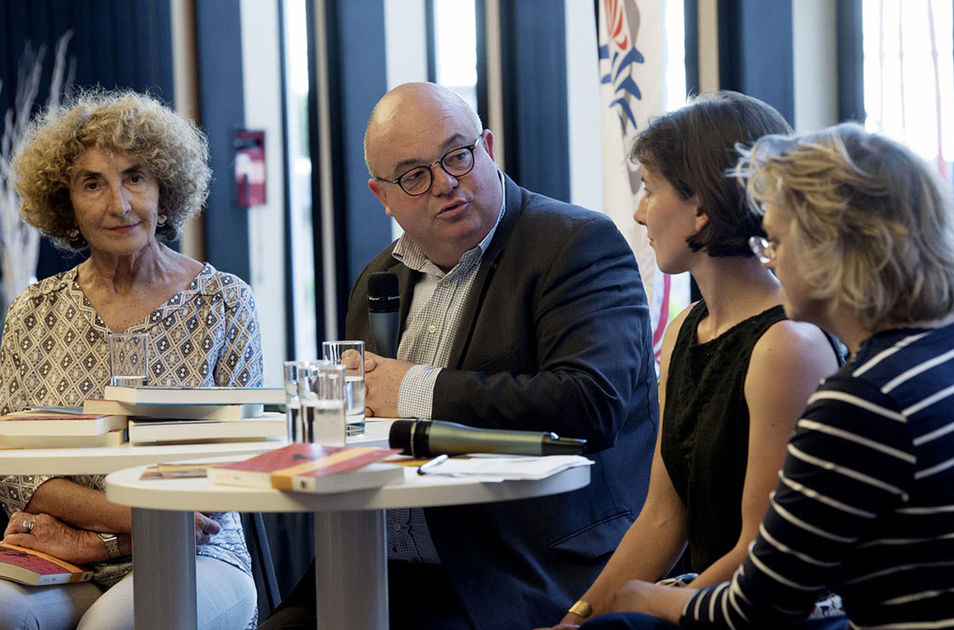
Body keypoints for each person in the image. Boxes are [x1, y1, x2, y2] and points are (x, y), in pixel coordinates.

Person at [581, 122, 954, 629]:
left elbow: (755, 610)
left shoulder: (863, 402)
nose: (769, 261)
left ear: (833, 251)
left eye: (776, 241)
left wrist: (644, 598)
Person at [257, 82, 657, 630]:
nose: (446, 183)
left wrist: (413, 389)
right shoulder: (378, 279)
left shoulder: (575, 245)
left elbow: (591, 404)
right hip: (371, 560)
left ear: (487, 147)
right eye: (416, 175)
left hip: (514, 568)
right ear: (383, 196)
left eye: (457, 156)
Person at [538, 92, 844, 630]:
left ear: (701, 207)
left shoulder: (787, 345)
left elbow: (760, 550)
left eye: (650, 191)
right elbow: (661, 517)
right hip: (703, 604)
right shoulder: (684, 330)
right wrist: (575, 617)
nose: (638, 212)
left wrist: (656, 604)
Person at [0, 89, 263, 630]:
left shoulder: (224, 303)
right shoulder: (33, 310)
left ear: (164, 189)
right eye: (92, 183)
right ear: (65, 201)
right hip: (62, 559)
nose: (118, 204)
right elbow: (15, 474)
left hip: (201, 553)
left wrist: (99, 537)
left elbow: (235, 463)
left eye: (135, 177)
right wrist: (111, 537)